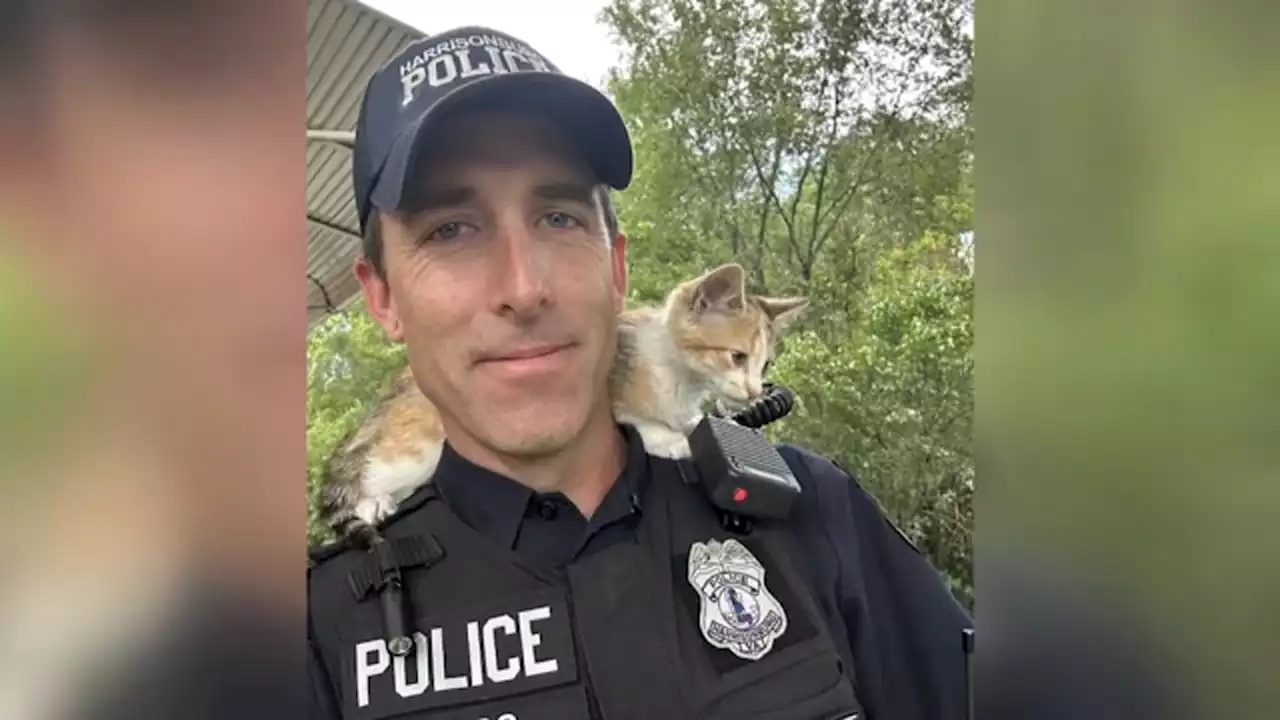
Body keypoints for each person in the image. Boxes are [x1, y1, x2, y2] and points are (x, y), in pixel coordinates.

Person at [306, 25, 973, 720]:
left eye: (558, 217)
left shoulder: (813, 515)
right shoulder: (317, 635)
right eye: (450, 229)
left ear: (618, 269)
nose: (524, 286)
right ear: (382, 298)